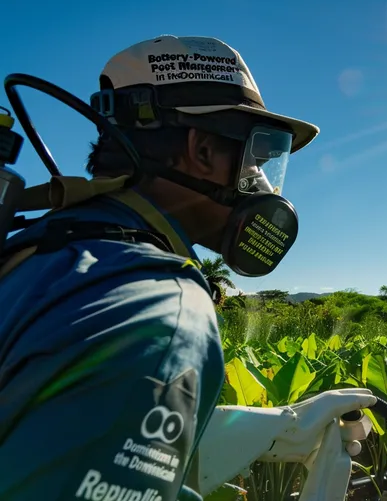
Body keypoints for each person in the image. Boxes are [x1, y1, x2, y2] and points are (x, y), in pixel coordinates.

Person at [0, 35, 322, 500]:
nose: (263, 184)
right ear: (204, 151)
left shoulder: (37, 246)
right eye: (257, 155)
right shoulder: (164, 306)